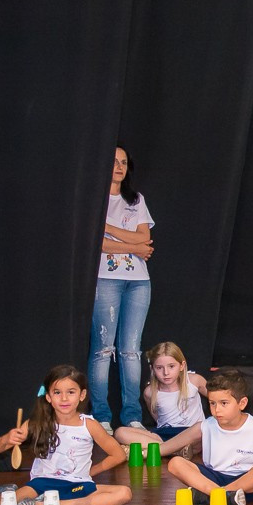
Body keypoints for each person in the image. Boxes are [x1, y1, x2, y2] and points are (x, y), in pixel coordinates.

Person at [0, 365, 132, 505]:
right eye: (57, 392)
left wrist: (90, 472)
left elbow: (118, 455)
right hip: (42, 484)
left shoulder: (90, 425)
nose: (64, 398)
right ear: (48, 397)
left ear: (82, 395)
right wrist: (6, 439)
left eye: (71, 392)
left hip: (78, 485)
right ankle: (0, 495)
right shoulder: (36, 423)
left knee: (124, 493)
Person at [89, 145, 154, 431]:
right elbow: (98, 244)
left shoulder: (135, 199)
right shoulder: (95, 199)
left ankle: (132, 416)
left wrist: (108, 228)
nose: (119, 167)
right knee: (104, 348)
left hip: (138, 281)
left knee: (131, 351)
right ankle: (101, 416)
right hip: (106, 278)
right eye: (114, 161)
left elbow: (145, 239)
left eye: (123, 162)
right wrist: (133, 246)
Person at [164, 369, 253, 505]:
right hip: (214, 477)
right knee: (175, 463)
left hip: (246, 480)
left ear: (242, 403)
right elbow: (172, 445)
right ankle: (225, 496)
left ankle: (213, 495)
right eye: (212, 403)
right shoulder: (206, 426)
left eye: (224, 403)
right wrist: (153, 449)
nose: (217, 410)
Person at [114, 341, 207, 451]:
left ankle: (166, 449)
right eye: (159, 368)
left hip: (191, 433)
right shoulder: (150, 392)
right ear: (152, 368)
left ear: (182, 365)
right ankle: (172, 449)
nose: (166, 372)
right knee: (120, 432)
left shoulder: (194, 380)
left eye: (171, 366)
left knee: (201, 429)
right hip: (164, 434)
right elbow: (156, 416)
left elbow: (217, 397)